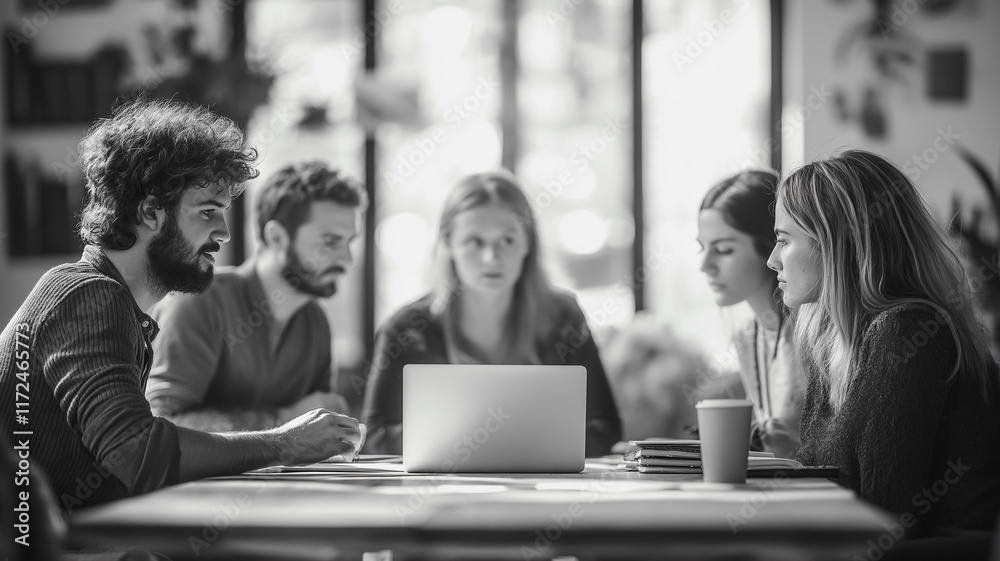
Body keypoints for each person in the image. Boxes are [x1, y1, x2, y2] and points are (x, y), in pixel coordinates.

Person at [0, 98, 362, 512]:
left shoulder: (118, 305)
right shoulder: (86, 296)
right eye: (208, 211)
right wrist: (282, 443)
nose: (224, 232)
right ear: (152, 212)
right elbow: (138, 454)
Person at [768, 149, 1000, 535]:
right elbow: (820, 480)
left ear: (835, 243)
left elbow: (884, 513)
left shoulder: (907, 330)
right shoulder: (836, 340)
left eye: (784, 240)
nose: (773, 260)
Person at [361, 171, 622, 456]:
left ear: (527, 243)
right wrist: (502, 438)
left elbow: (606, 430)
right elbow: (374, 437)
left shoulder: (564, 317)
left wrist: (472, 439)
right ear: (449, 242)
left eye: (507, 240)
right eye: (475, 241)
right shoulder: (408, 328)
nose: (491, 258)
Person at [146, 161, 365, 432]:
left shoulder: (314, 320)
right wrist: (283, 419)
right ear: (277, 237)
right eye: (331, 241)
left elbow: (318, 432)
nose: (347, 259)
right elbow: (163, 425)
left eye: (350, 241)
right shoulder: (199, 300)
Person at [697, 170, 806, 459]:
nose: (705, 265)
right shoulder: (747, 336)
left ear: (770, 244)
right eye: (702, 248)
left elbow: (791, 444)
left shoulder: (812, 330)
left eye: (723, 249)